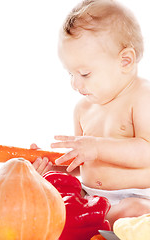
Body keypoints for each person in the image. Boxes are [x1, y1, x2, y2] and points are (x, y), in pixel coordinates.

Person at [34, 0, 150, 227]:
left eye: (85, 74)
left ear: (125, 61)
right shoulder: (83, 109)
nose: (75, 84)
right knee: (51, 198)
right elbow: (82, 163)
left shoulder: (142, 97)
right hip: (90, 197)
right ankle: (88, 222)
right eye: (70, 73)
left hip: (136, 196)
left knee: (133, 210)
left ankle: (91, 223)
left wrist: (96, 148)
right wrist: (52, 166)